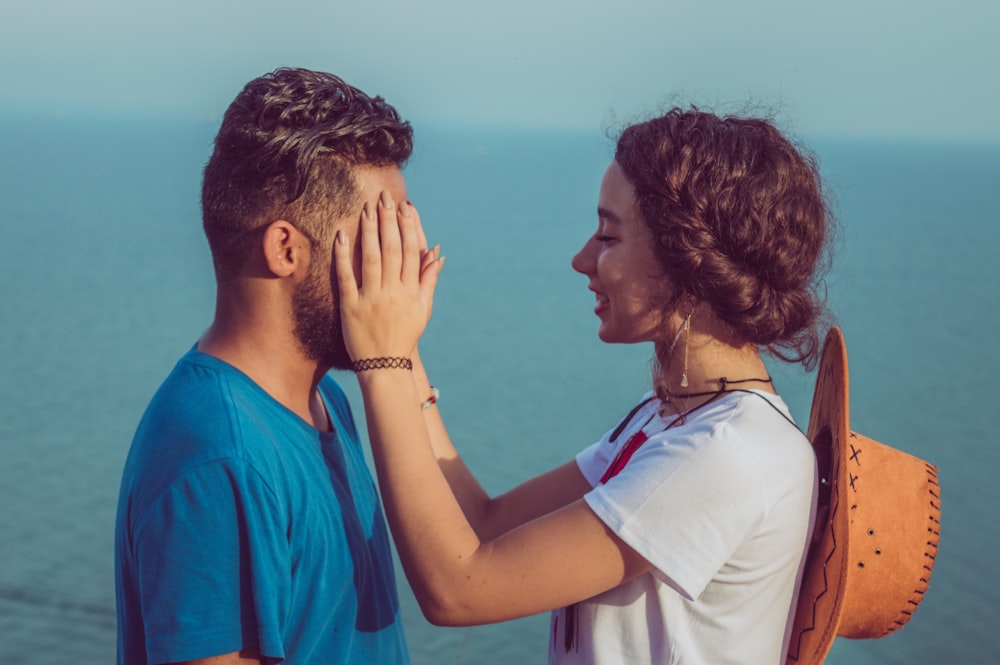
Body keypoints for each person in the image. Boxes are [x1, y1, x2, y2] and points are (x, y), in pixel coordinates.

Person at [333, 107, 831, 664]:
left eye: (608, 236)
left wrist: (380, 363)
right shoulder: (668, 419)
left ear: (688, 260)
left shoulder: (726, 454)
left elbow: (457, 589)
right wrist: (404, 353)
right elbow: (486, 525)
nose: (581, 259)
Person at [114, 68, 416, 665]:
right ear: (286, 249)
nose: (405, 262)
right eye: (382, 235)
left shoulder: (324, 401)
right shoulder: (217, 460)